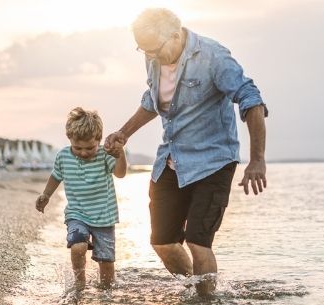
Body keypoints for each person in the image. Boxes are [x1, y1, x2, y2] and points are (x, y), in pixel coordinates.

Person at [104, 8, 268, 295]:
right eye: (144, 50)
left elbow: (251, 99)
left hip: (213, 161)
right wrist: (124, 132)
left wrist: (257, 160)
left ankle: (205, 298)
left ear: (176, 34)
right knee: (162, 242)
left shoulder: (213, 57)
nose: (151, 56)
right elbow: (152, 99)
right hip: (171, 158)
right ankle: (203, 290)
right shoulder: (153, 57)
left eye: (155, 49)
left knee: (198, 240)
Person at [36, 107, 128, 289]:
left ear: (99, 140)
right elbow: (56, 176)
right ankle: (80, 283)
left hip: (104, 216)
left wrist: (120, 155)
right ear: (69, 139)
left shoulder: (104, 154)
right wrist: (46, 194)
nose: (84, 152)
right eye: (77, 148)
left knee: (106, 263)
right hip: (77, 213)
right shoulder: (63, 156)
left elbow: (120, 173)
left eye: (89, 148)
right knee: (78, 247)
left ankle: (106, 295)